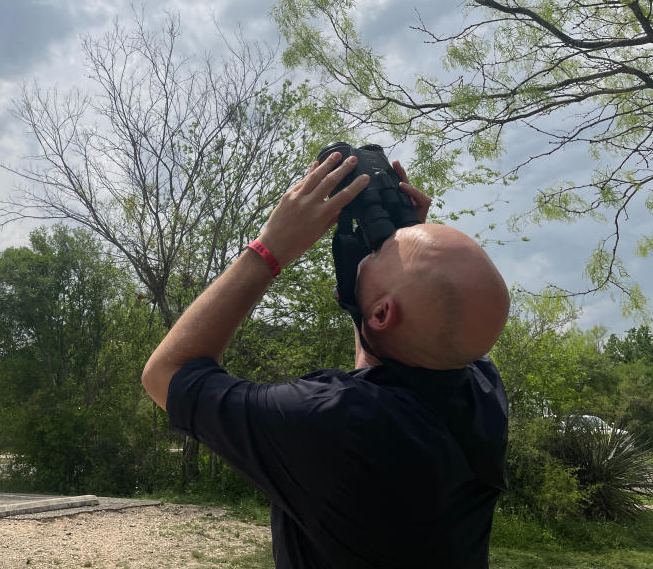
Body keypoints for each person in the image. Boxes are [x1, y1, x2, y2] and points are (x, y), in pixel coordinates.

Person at [142, 150, 511, 568]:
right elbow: (392, 355)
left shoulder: (327, 418)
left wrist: (271, 246)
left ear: (382, 314)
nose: (388, 243)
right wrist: (404, 265)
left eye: (385, 252)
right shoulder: (483, 391)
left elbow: (165, 375)